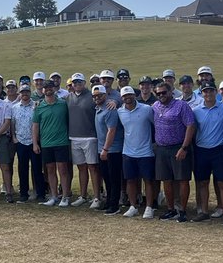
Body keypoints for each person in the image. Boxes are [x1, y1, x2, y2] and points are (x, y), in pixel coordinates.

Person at [151, 79, 196, 222]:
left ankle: (182, 210)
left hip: (178, 147)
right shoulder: (155, 106)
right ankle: (170, 209)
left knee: (182, 180)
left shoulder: (182, 106)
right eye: (158, 93)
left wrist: (184, 147)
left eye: (164, 92)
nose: (161, 95)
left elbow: (190, 126)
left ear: (171, 92)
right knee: (167, 180)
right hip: (162, 149)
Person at [191, 83, 223, 222]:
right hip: (201, 150)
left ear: (216, 92)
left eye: (210, 91)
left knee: (222, 183)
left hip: (219, 149)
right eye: (205, 92)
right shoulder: (196, 110)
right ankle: (204, 211)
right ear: (201, 93)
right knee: (203, 182)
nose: (208, 94)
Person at [116, 86, 156, 219]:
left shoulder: (146, 109)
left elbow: (155, 124)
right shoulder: (120, 112)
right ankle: (133, 206)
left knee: (148, 181)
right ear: (122, 98)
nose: (128, 97)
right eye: (125, 96)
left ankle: (149, 207)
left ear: (134, 95)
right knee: (130, 180)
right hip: (128, 152)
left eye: (130, 95)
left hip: (146, 151)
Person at [32, 80, 70, 207]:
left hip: (61, 142)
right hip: (46, 143)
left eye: (50, 87)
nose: (48, 89)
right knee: (50, 170)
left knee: (63, 170)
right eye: (45, 87)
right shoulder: (39, 106)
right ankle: (54, 196)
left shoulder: (63, 104)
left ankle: (65, 196)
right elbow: (35, 126)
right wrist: (35, 143)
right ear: (42, 90)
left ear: (54, 88)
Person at [65, 73, 99, 207]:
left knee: (93, 167)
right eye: (74, 82)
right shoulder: (68, 97)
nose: (77, 84)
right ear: (71, 84)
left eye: (79, 82)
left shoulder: (92, 96)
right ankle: (83, 196)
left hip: (90, 137)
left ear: (84, 83)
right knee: (81, 167)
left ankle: (96, 197)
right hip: (74, 137)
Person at [93, 84, 123, 215]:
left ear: (105, 95)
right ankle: (109, 201)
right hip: (102, 149)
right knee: (106, 177)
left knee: (114, 178)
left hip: (112, 149)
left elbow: (112, 131)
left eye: (99, 95)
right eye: (94, 96)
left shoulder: (110, 109)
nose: (97, 98)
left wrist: (105, 149)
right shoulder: (98, 108)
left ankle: (114, 205)